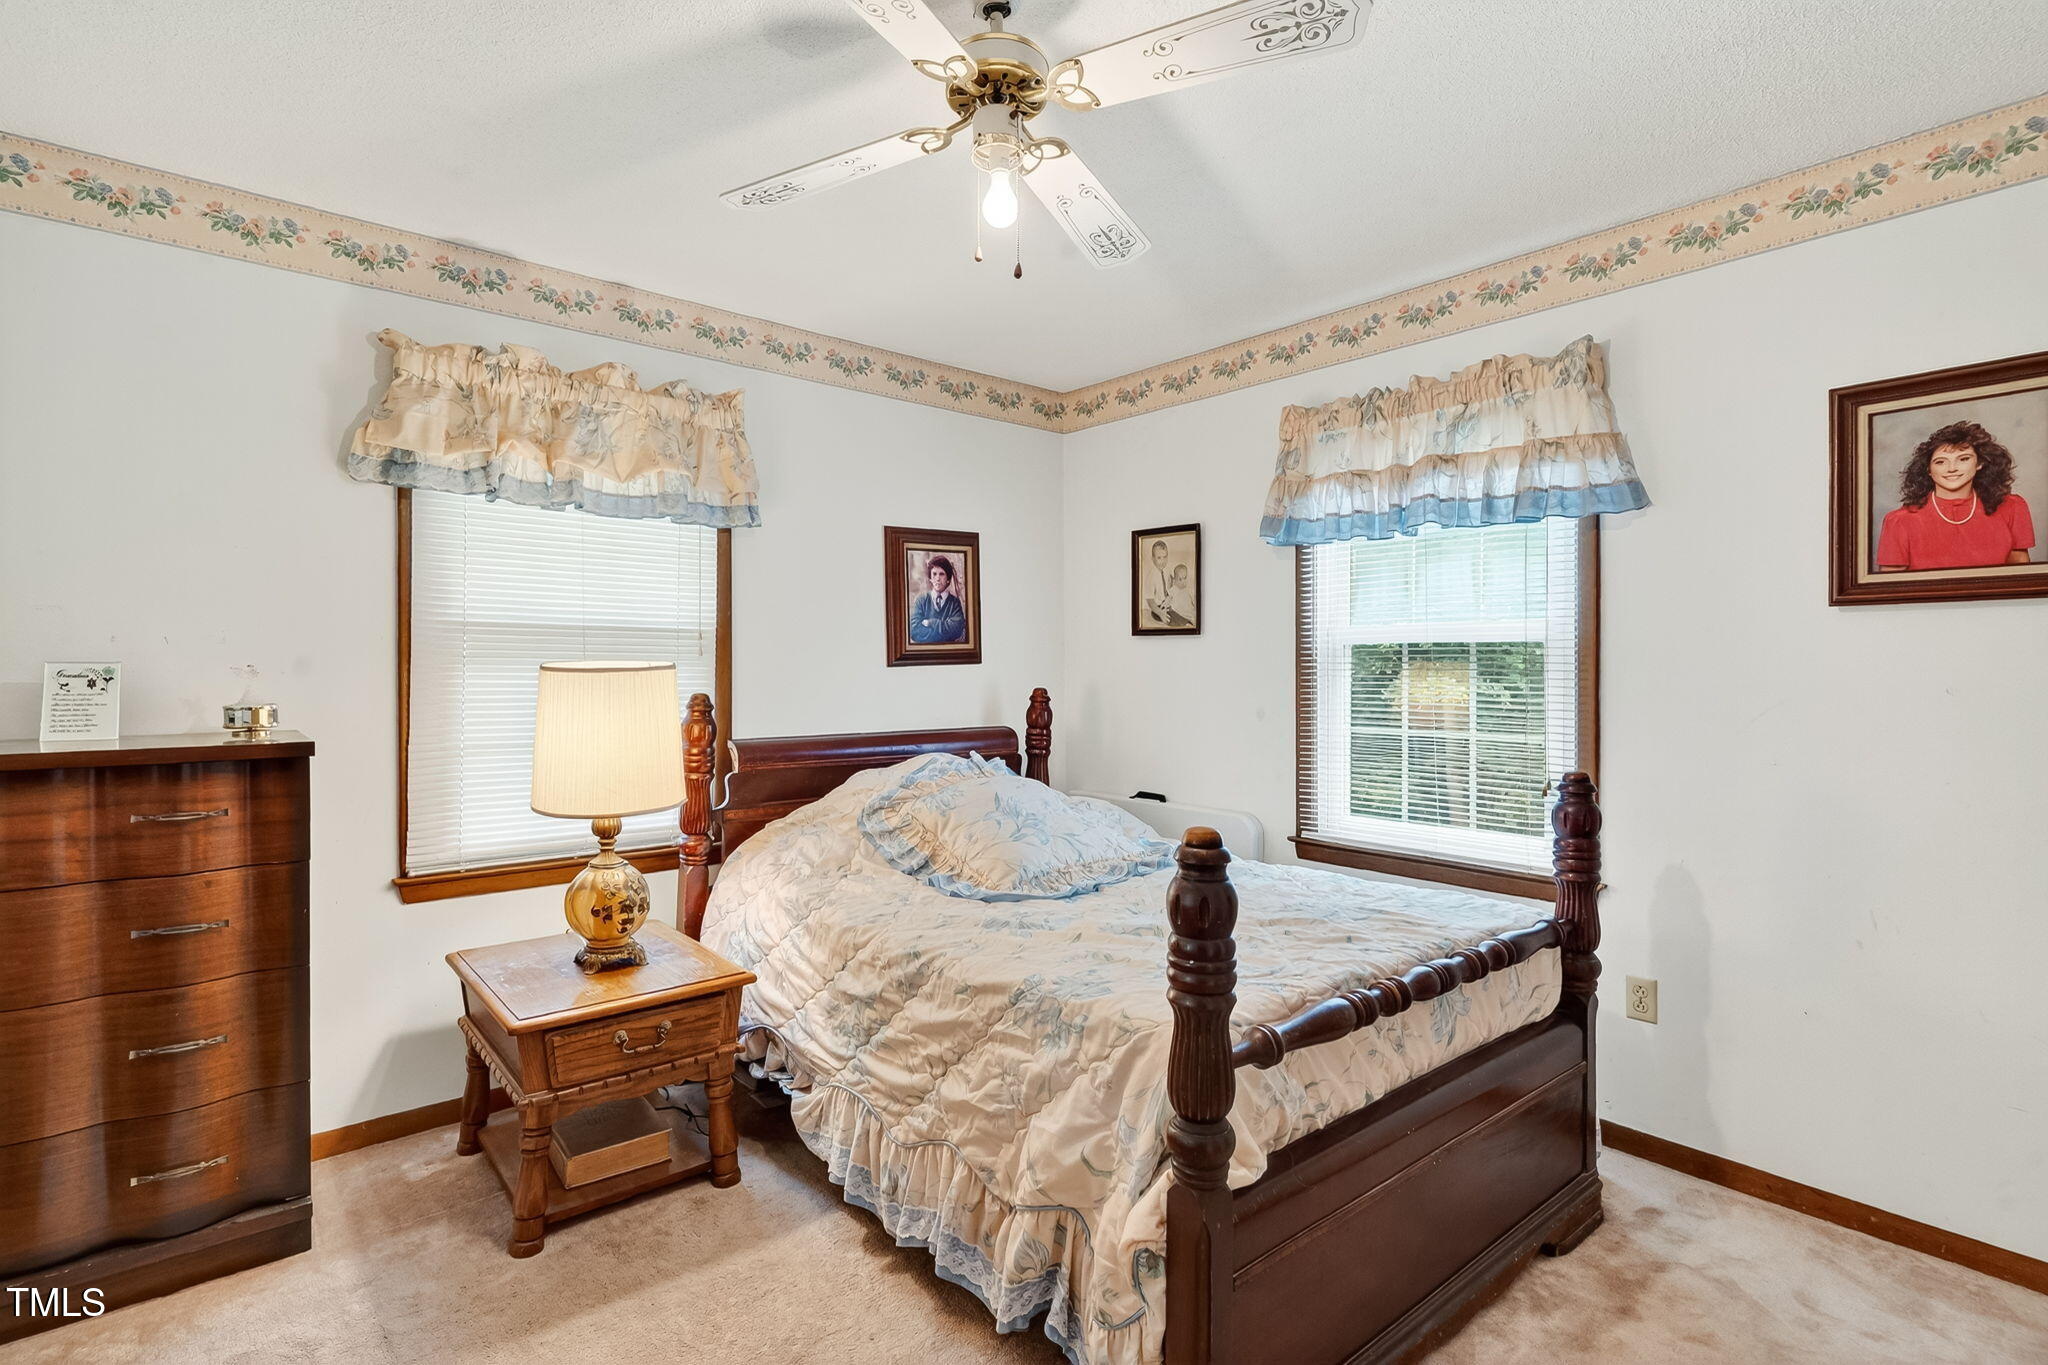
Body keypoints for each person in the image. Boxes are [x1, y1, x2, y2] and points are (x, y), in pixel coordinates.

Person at [1876, 420, 2034, 571]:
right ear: (1928, 470)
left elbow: (2019, 575)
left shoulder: (2012, 507)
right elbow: (1891, 590)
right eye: (1940, 462)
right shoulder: (1899, 521)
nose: (1952, 468)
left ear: (1980, 463)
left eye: (1963, 459)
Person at [909, 554, 967, 644]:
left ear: (948, 579)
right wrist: (944, 632)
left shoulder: (954, 603)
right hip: (925, 654)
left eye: (942, 574)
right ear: (930, 578)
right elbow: (914, 632)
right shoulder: (921, 601)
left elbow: (956, 630)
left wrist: (931, 623)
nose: (937, 579)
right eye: (934, 574)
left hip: (948, 653)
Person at [1142, 539, 1174, 626]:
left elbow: (1171, 586)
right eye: (1159, 558)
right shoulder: (1151, 576)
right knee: (1170, 620)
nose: (1163, 561)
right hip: (1157, 608)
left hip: (1167, 604)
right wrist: (1160, 613)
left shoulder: (1167, 571)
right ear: (1153, 559)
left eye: (1165, 557)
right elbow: (1150, 600)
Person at [1164, 563, 1196, 628]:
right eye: (1180, 579)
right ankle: (1185, 622)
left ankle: (1189, 621)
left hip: (1188, 612)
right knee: (1171, 616)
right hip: (1178, 613)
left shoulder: (1188, 589)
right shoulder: (1173, 589)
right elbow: (1167, 600)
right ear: (1175, 580)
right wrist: (1164, 607)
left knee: (1193, 615)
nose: (1183, 581)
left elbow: (1194, 600)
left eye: (1185, 578)